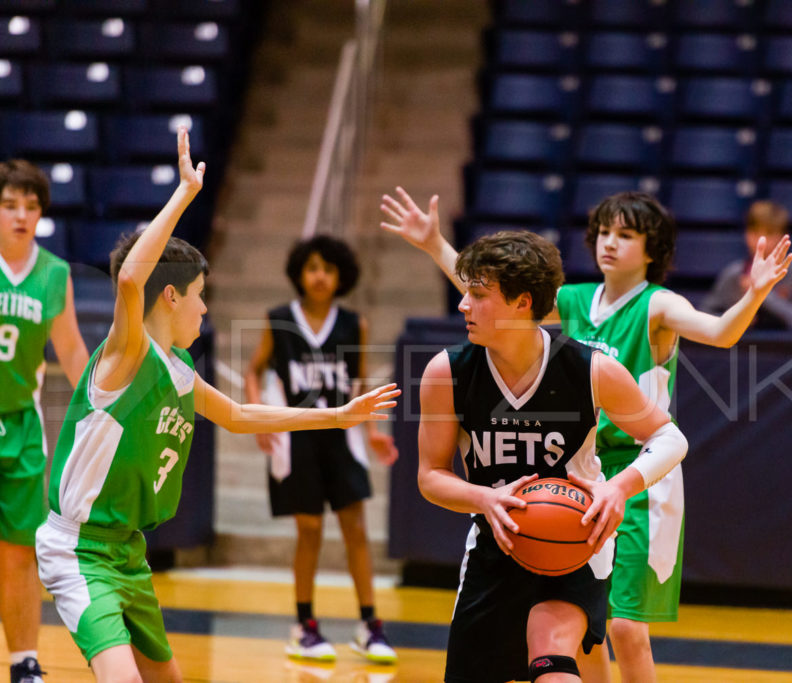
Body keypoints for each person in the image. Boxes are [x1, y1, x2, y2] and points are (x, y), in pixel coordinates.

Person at [381, 187, 792, 682]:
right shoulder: (566, 303)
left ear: (653, 249)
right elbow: (499, 296)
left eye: (625, 234)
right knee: (586, 642)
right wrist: (435, 246)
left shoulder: (651, 310)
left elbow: (721, 335)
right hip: (549, 492)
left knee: (621, 628)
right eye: (602, 232)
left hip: (633, 472)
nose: (608, 243)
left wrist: (756, 292)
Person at [34, 128, 399, 682]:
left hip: (129, 552)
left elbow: (238, 414)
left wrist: (337, 415)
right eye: (200, 295)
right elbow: (133, 275)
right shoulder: (127, 355)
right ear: (171, 295)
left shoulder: (179, 372)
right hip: (81, 551)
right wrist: (184, 193)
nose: (205, 310)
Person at [417, 230, 689, 682]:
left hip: (575, 544)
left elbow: (669, 437)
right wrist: (484, 499)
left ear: (523, 303)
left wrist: (619, 487)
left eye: (479, 295)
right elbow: (430, 476)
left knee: (550, 653)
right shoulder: (447, 373)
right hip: (495, 545)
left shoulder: (590, 369)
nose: (464, 305)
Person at [244, 235, 399, 664]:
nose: (319, 276)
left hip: (342, 437)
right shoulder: (278, 320)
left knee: (356, 529)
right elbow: (253, 370)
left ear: (340, 277)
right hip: (296, 438)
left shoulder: (354, 324)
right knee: (308, 531)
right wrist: (257, 416)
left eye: (328, 269)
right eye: (312, 267)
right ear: (299, 273)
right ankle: (304, 625)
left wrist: (374, 432)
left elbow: (360, 387)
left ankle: (369, 624)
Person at [0, 159, 90, 683]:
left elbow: (71, 350)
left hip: (21, 426)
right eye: (10, 205)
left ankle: (22, 660)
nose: (21, 215)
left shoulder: (54, 273)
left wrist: (103, 405)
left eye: (30, 207)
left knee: (17, 549)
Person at [701, 200, 792, 330]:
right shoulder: (734, 274)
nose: (761, 240)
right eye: (754, 232)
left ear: (783, 236)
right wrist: (739, 319)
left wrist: (761, 293)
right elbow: (706, 315)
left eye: (769, 233)